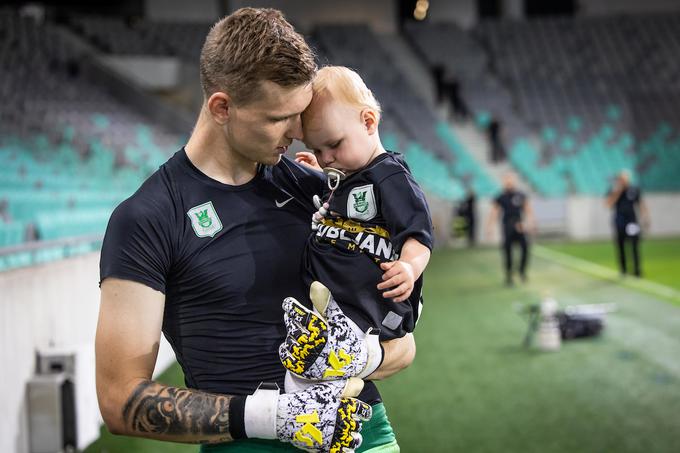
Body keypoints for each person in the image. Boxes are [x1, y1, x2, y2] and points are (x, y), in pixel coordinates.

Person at [96, 8, 414, 453]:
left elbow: (405, 339)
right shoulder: (148, 217)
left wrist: (366, 355)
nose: (299, 133)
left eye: (300, 114)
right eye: (279, 118)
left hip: (362, 436)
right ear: (222, 107)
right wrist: (275, 417)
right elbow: (118, 400)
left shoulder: (317, 191)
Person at [281, 67, 432, 451]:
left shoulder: (389, 176)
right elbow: (340, 209)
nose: (327, 157)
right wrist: (321, 174)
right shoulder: (348, 174)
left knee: (311, 368)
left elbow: (418, 233)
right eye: (318, 150)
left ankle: (331, 410)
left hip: (373, 305)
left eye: (333, 144)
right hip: (339, 305)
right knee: (308, 363)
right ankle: (330, 407)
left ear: (368, 122)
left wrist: (410, 267)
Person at [485, 172, 535, 286]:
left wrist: (530, 223)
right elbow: (494, 212)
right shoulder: (501, 196)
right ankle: (509, 275)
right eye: (506, 180)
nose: (509, 182)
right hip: (507, 226)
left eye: (511, 179)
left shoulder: (521, 195)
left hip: (520, 225)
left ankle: (522, 272)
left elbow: (528, 210)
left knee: (525, 249)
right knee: (507, 252)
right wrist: (489, 227)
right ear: (504, 182)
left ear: (515, 180)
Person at [606, 170, 650, 277]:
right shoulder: (614, 190)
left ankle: (637, 270)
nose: (623, 181)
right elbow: (608, 204)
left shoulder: (634, 190)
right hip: (619, 221)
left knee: (634, 244)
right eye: (621, 179)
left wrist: (646, 217)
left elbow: (640, 204)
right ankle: (623, 270)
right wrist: (618, 191)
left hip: (632, 221)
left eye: (625, 179)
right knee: (620, 246)